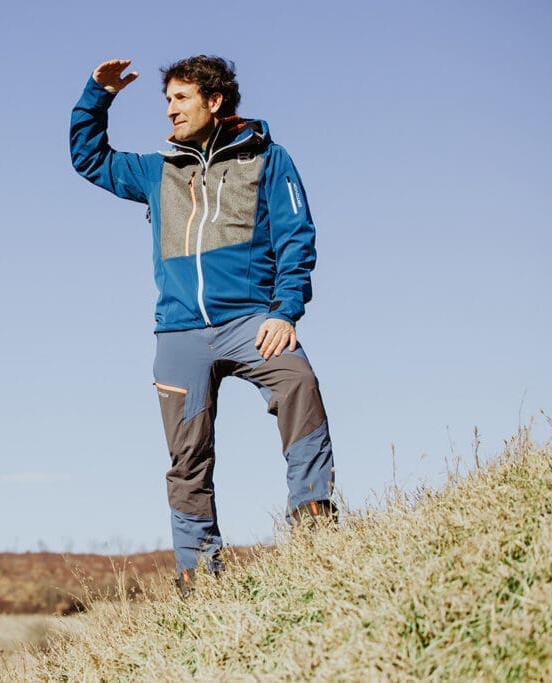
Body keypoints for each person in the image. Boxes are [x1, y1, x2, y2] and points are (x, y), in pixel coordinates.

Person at [69, 56, 338, 591]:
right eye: (167, 100)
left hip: (251, 321)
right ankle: (200, 578)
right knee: (187, 456)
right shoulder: (157, 170)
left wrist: (285, 311)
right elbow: (88, 158)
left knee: (298, 381)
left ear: (214, 102)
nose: (170, 110)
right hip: (179, 334)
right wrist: (96, 95)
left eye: (181, 98)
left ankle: (313, 525)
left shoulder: (268, 160)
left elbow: (296, 237)